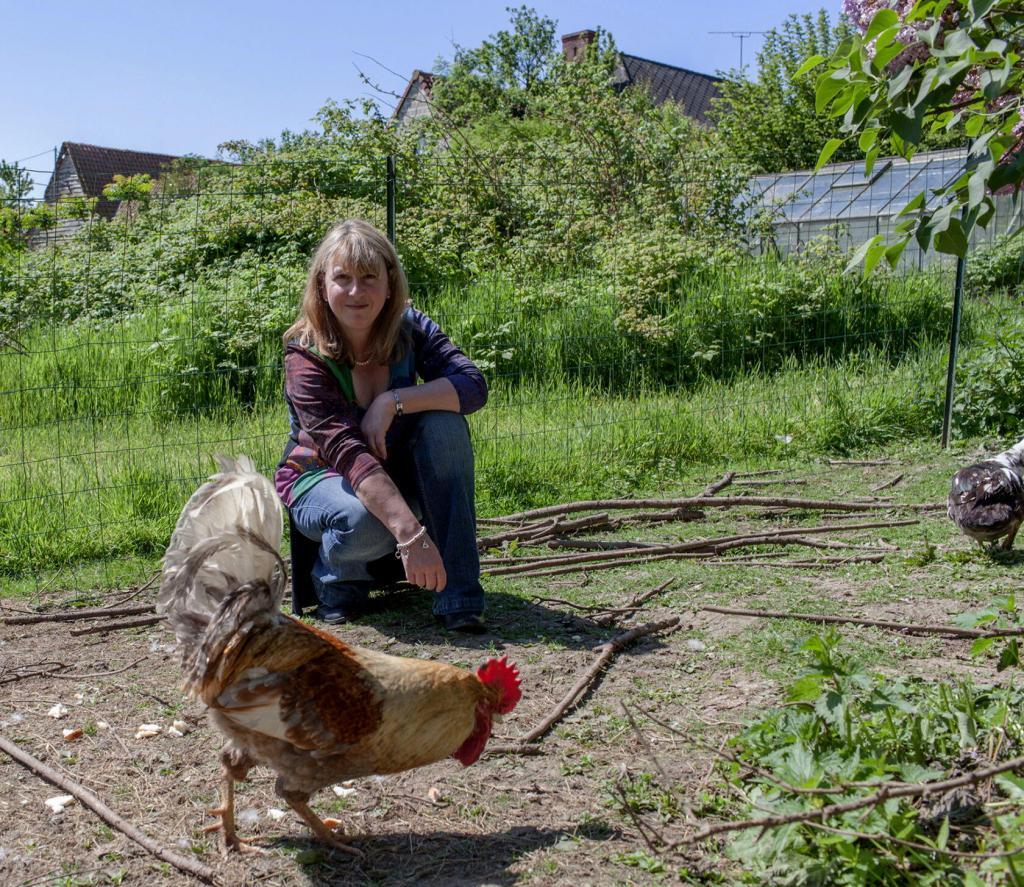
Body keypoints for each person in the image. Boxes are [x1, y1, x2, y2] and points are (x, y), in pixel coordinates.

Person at [275, 219, 488, 633]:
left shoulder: (411, 326)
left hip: (392, 471)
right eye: (343, 278)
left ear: (390, 284)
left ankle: (461, 595)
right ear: (322, 285)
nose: (357, 291)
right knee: (363, 520)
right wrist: (409, 532)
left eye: (369, 277)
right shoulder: (304, 354)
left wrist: (393, 401)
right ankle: (336, 581)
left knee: (445, 425)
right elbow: (349, 455)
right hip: (321, 475)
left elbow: (473, 386)